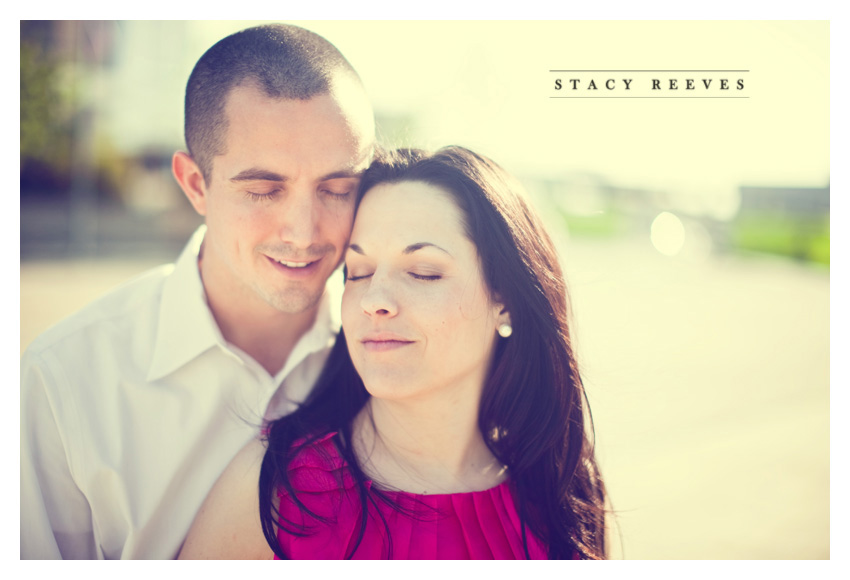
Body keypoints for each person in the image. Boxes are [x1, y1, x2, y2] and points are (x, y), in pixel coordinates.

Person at [20, 23, 375, 559]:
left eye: (337, 189)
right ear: (194, 185)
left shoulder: (395, 355)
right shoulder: (65, 379)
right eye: (263, 190)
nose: (304, 232)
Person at [178, 147, 607, 560]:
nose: (374, 299)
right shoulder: (274, 487)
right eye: (358, 273)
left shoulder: (561, 490)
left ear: (506, 299)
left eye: (422, 273)